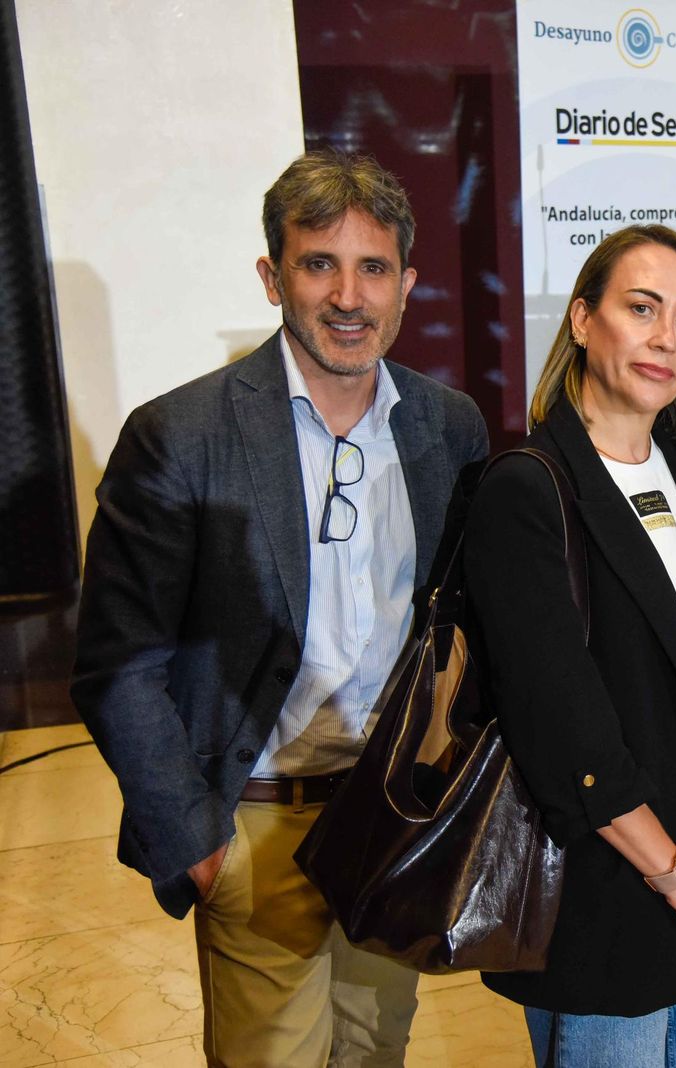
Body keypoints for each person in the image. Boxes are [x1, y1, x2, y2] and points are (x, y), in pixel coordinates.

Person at [71, 150, 489, 1065]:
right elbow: (116, 664)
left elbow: (458, 623)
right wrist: (197, 843)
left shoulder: (448, 427)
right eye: (319, 264)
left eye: (373, 267)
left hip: (388, 820)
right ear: (273, 277)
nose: (349, 295)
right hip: (254, 826)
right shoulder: (180, 435)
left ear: (407, 285)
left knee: (375, 1053)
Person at [461, 224, 676, 1065]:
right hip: (605, 863)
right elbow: (566, 733)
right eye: (641, 309)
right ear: (579, 321)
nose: (665, 339)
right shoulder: (526, 487)